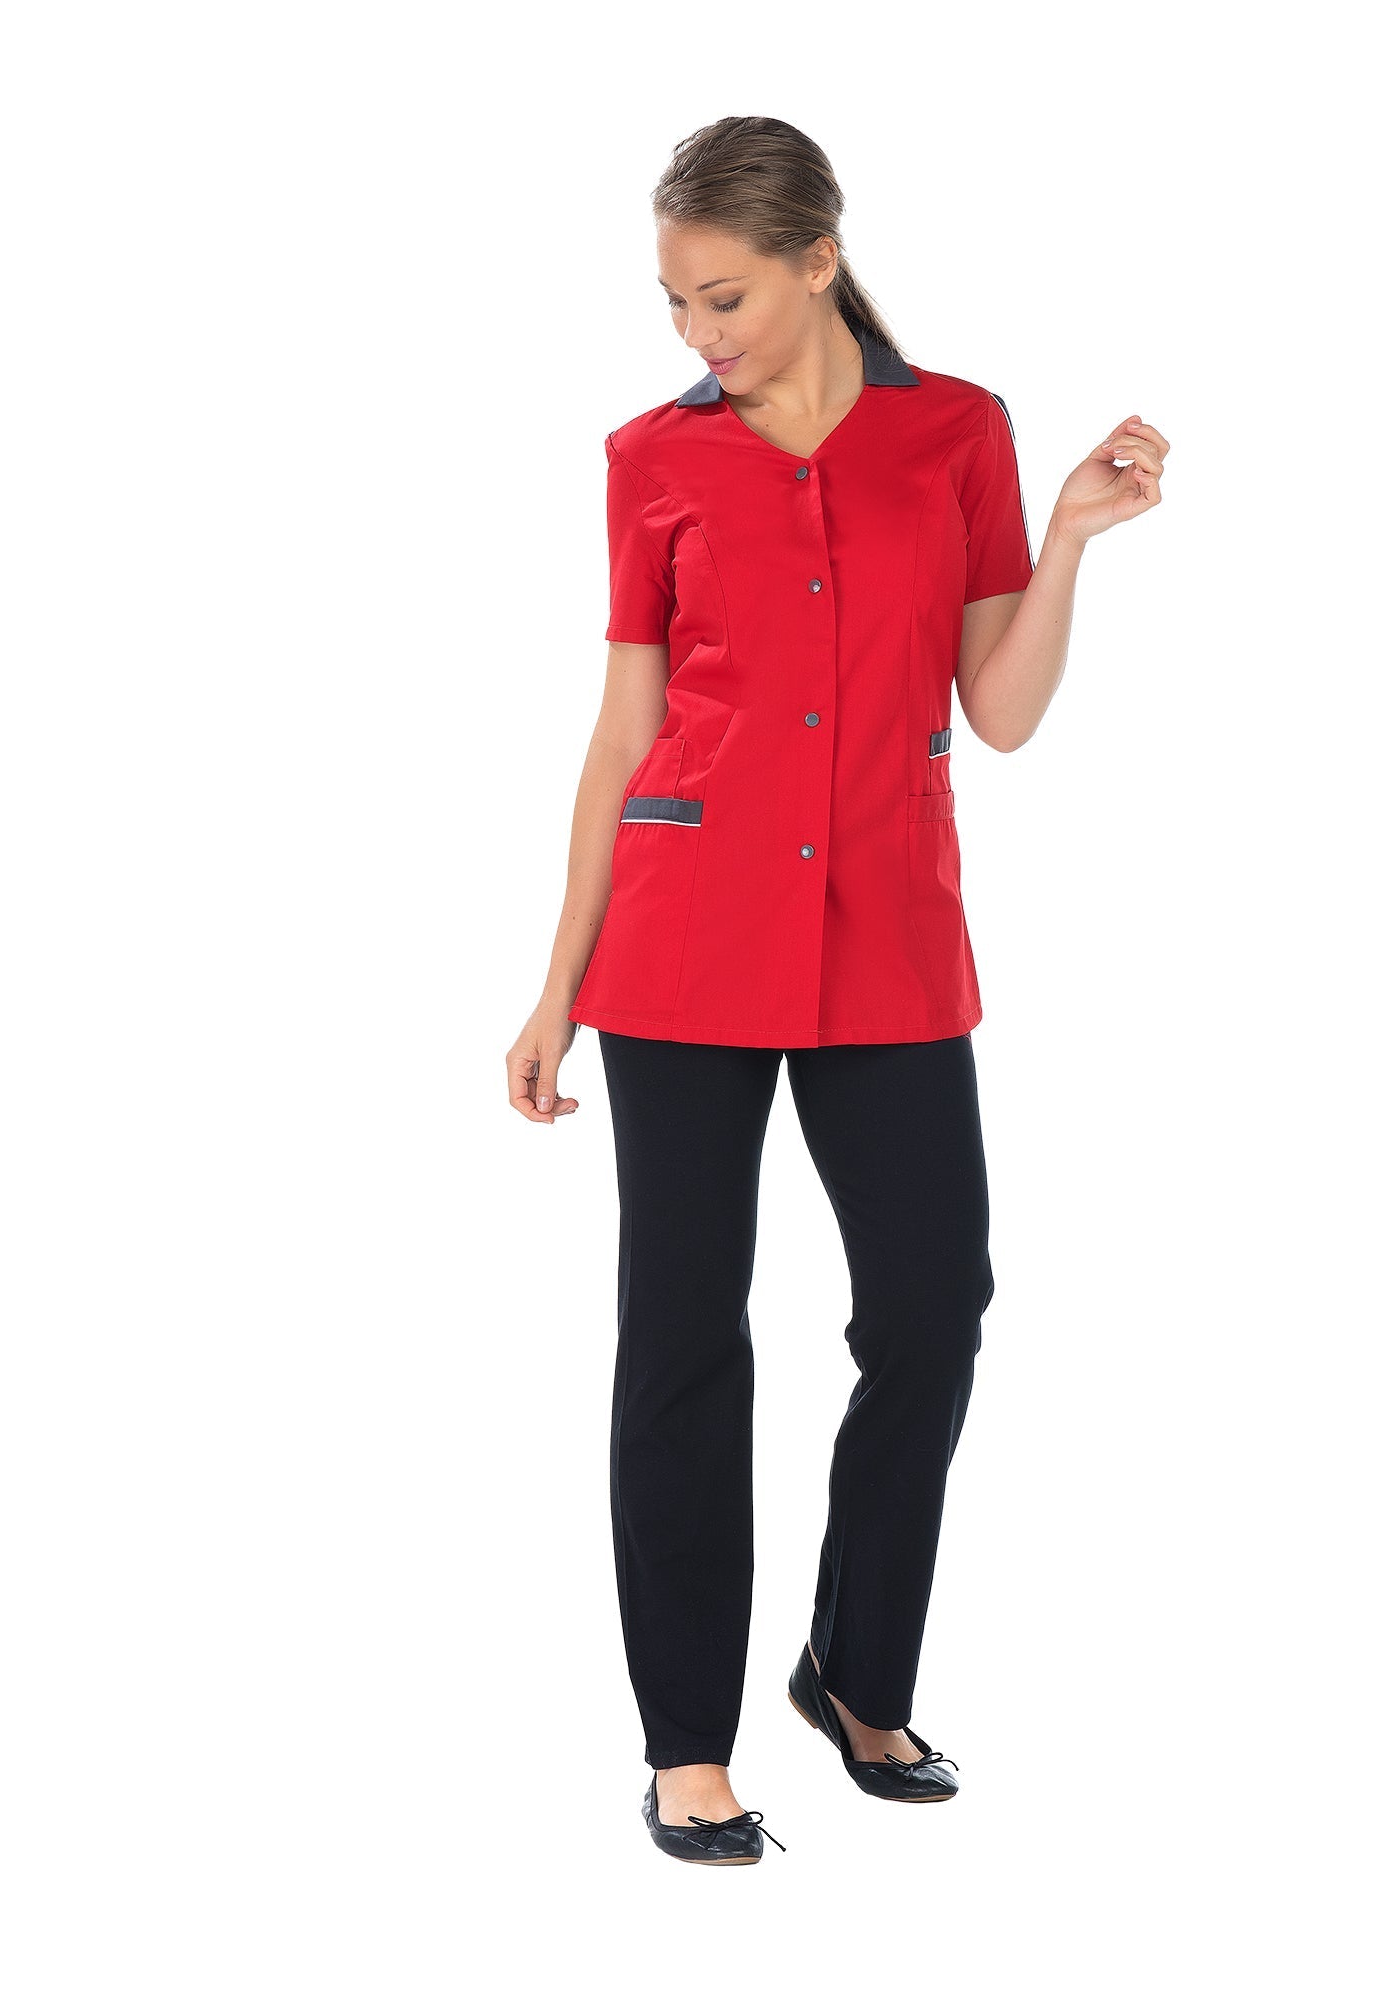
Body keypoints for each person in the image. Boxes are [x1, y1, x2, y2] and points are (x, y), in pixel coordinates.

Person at [508, 114, 1168, 1867]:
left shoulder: (956, 434)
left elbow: (999, 713)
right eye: (673, 301)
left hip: (888, 935)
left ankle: (857, 1674)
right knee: (681, 1338)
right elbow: (625, 731)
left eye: (723, 296)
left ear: (818, 259)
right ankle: (686, 1751)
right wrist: (556, 986)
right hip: (682, 941)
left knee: (934, 1307)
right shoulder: (652, 457)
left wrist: (1069, 538)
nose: (696, 331)